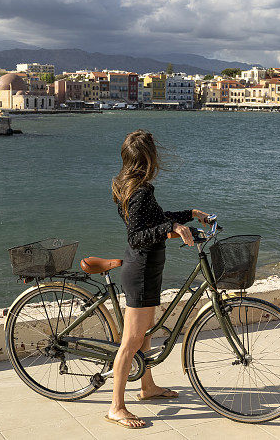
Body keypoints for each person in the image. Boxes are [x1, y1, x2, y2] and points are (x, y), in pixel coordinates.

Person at [99, 129, 209, 429]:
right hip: (141, 269)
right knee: (132, 340)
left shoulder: (129, 185)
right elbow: (137, 236)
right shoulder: (140, 190)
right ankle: (116, 407)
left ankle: (147, 388)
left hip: (148, 268)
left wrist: (188, 215)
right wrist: (170, 229)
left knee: (146, 335)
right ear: (148, 158)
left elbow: (155, 219)